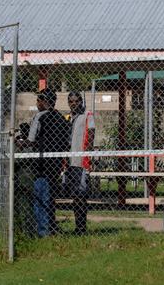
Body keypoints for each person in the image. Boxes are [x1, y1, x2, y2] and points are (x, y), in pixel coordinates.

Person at [20, 88, 70, 237]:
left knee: (39, 197)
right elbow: (66, 142)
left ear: (45, 101)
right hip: (55, 164)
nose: (37, 103)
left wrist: (20, 143)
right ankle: (50, 226)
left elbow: (30, 140)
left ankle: (41, 230)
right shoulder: (61, 118)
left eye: (38, 100)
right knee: (49, 197)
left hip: (41, 164)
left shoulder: (39, 117)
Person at [64, 91, 95, 235]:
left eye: (76, 101)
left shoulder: (88, 115)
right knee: (75, 196)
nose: (73, 104)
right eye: (71, 101)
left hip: (82, 162)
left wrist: (87, 156)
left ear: (81, 101)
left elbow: (91, 134)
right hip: (70, 163)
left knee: (82, 195)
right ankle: (78, 227)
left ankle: (82, 227)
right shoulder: (68, 118)